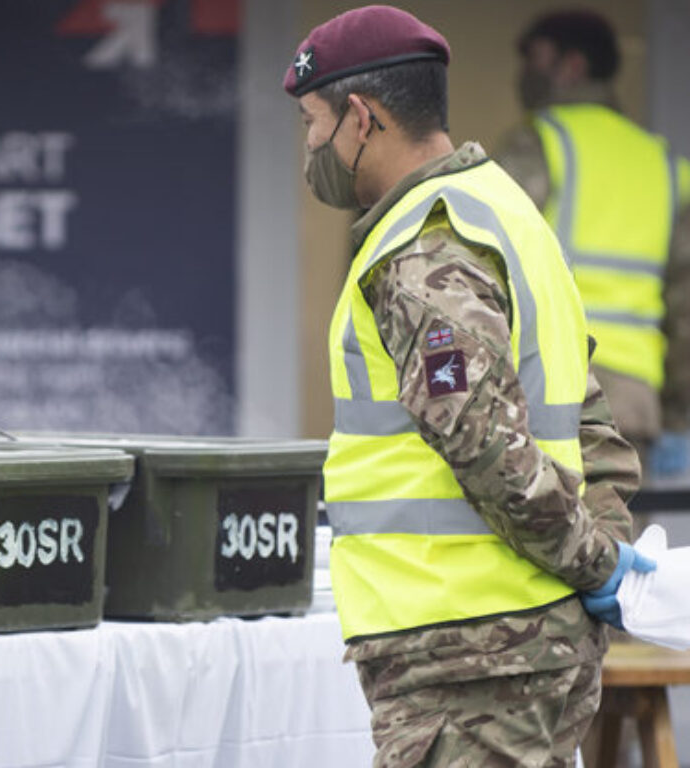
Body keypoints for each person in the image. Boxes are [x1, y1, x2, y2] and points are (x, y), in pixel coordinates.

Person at [286, 6, 653, 765]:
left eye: (313, 122)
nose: (310, 145)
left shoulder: (426, 246)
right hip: (514, 643)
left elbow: (484, 442)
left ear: (361, 117)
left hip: (468, 654)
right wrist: (603, 562)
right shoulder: (507, 210)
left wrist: (596, 564)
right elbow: (591, 423)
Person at [496, 9, 690, 475]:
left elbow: (485, 251)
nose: (524, 75)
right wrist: (678, 418)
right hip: (631, 409)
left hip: (550, 394)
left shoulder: (540, 143)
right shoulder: (664, 166)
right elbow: (686, 313)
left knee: (540, 545)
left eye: (536, 59)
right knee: (620, 546)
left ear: (573, 65)